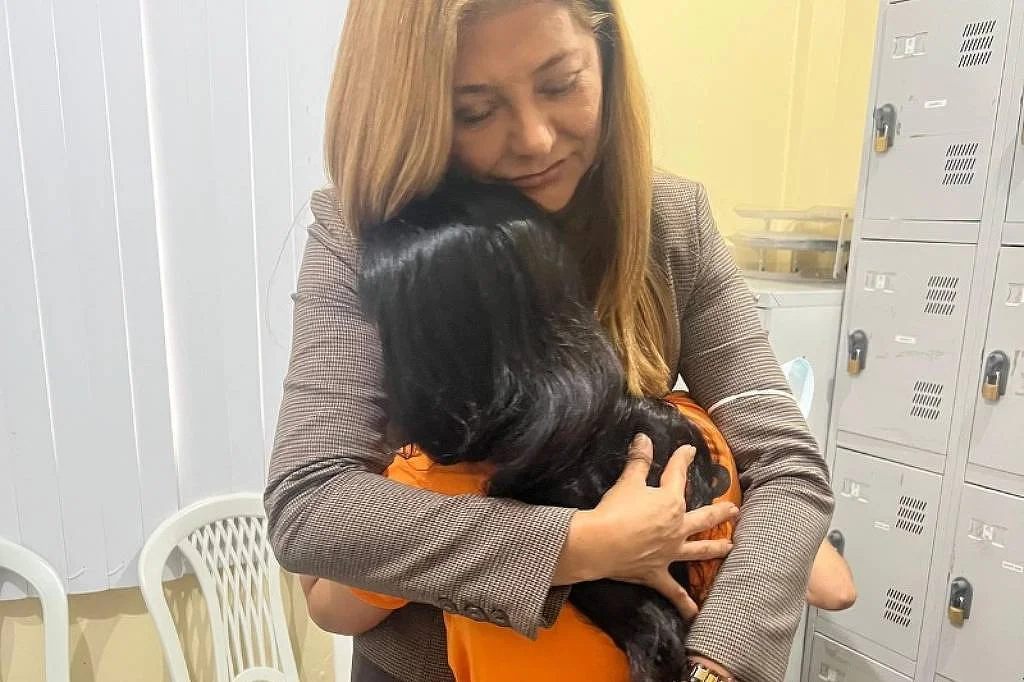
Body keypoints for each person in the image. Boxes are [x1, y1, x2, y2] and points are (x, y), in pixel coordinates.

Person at [264, 1, 834, 680]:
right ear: (414, 113)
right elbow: (312, 505)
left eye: (561, 84)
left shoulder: (670, 222)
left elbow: (788, 466)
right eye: (476, 111)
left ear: (606, 57)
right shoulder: (368, 235)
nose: (534, 140)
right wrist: (583, 545)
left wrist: (716, 664)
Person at [293, 181, 852, 682]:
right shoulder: (684, 436)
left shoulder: (424, 483)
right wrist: (606, 545)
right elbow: (832, 584)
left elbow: (329, 605)